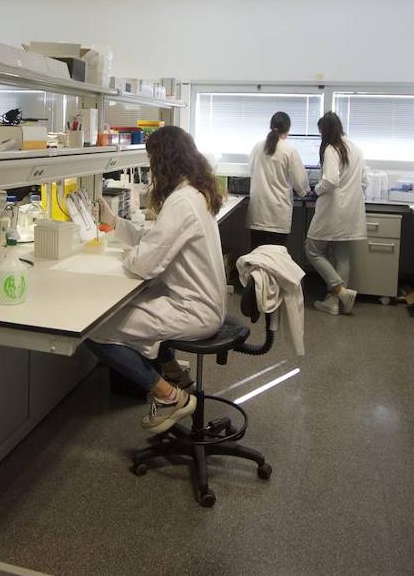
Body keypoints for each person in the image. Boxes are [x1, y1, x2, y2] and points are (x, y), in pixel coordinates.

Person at [88, 126, 227, 433]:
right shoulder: (194, 192)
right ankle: (175, 372)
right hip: (201, 301)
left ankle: (168, 396)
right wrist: (114, 223)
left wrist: (125, 256)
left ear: (162, 162)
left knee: (96, 329)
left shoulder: (181, 202)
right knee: (140, 305)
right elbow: (155, 239)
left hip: (194, 310)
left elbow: (146, 263)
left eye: (151, 161)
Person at [305, 112, 367, 315]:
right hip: (351, 210)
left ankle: (340, 291)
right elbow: (364, 181)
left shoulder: (332, 148)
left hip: (333, 210)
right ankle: (335, 303)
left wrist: (316, 191)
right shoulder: (355, 148)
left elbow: (331, 180)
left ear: (325, 130)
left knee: (312, 250)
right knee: (342, 255)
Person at [247, 111, 309, 248]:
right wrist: (305, 192)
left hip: (258, 212)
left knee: (256, 257)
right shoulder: (289, 149)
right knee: (275, 259)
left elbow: (250, 169)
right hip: (277, 214)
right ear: (288, 129)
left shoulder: (257, 147)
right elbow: (300, 182)